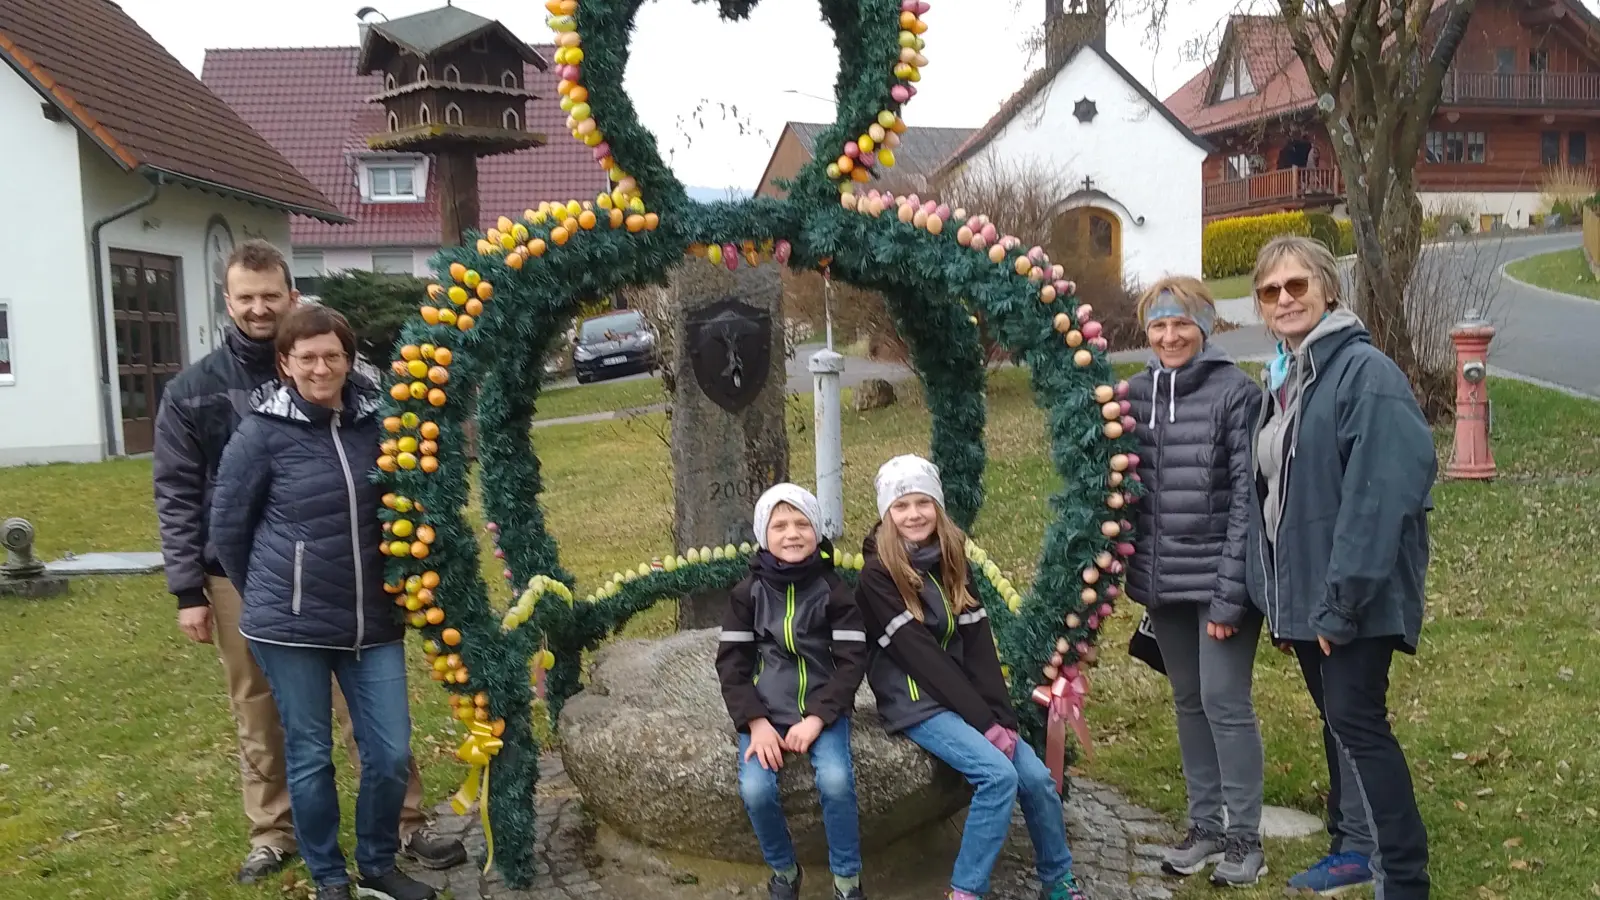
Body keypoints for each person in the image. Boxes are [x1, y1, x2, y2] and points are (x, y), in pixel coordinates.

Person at [153, 241, 463, 884]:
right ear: (230, 302)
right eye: (246, 297)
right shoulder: (198, 391)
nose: (259, 307)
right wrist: (199, 587)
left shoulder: (362, 398)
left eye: (271, 295)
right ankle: (276, 834)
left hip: (358, 584)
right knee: (267, 716)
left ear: (291, 297)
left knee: (376, 730)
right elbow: (187, 496)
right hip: (253, 579)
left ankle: (402, 827)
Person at [208, 304, 436, 900]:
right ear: (284, 363)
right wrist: (277, 590)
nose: (320, 367)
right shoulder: (259, 433)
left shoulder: (379, 424)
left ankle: (379, 864)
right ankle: (330, 878)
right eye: (306, 357)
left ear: (348, 358)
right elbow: (229, 532)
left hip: (375, 620)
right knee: (310, 758)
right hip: (290, 629)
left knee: (388, 753)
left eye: (331, 355)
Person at [1247, 236, 1435, 900]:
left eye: (1298, 286)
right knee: (1342, 723)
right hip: (1309, 596)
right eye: (1271, 291)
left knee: (1358, 722)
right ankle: (1356, 847)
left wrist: (1341, 602)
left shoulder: (1363, 372)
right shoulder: (1291, 376)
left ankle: (1403, 879)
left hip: (1352, 598)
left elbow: (1381, 496)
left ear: (1328, 289)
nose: (1285, 300)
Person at [855, 455, 1090, 900]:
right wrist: (985, 725)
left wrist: (1003, 718)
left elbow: (980, 648)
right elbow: (924, 660)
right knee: (998, 777)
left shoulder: (953, 562)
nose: (914, 514)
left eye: (923, 503)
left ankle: (1057, 880)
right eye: (902, 506)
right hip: (916, 701)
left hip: (965, 700)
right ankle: (966, 890)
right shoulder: (876, 577)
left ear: (937, 508)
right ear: (887, 514)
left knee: (1037, 779)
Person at [1124, 277, 1267, 887]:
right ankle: (1204, 825)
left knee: (1224, 701)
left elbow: (1247, 500)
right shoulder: (1131, 394)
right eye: (1158, 325)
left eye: (1182, 323)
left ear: (1205, 328)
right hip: (1165, 581)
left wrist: (1229, 594)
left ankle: (1245, 837)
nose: (1170, 335)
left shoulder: (1236, 394)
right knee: (1187, 700)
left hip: (1220, 580)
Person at [717, 484, 869, 900]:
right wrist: (756, 722)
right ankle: (784, 870)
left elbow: (853, 660)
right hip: (764, 712)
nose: (792, 533)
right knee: (755, 789)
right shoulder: (747, 593)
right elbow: (732, 663)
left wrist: (820, 717)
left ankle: (847, 879)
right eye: (779, 525)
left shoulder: (835, 592)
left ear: (817, 532)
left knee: (837, 781)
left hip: (823, 711)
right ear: (764, 535)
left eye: (802, 523)